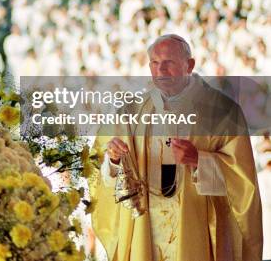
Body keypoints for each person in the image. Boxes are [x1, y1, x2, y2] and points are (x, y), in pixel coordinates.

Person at [91, 34, 262, 261]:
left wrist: (200, 160)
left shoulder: (222, 112)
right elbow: (98, 170)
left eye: (169, 62)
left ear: (189, 65)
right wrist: (112, 160)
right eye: (154, 63)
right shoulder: (130, 113)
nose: (161, 70)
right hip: (146, 229)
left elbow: (243, 182)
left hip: (196, 227)